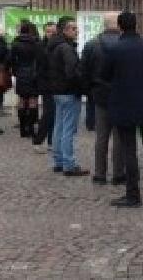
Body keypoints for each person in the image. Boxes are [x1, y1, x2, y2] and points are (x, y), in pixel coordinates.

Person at [103, 11, 143, 207]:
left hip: (124, 104)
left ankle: (133, 194)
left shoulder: (114, 49)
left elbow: (105, 74)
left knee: (129, 150)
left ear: (120, 26)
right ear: (137, 25)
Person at [80, 12, 125, 185]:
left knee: (101, 136)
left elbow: (83, 71)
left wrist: (89, 91)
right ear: (119, 25)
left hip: (99, 95)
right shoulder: (124, 44)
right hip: (121, 95)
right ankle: (118, 173)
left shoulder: (91, 45)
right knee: (119, 136)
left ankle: (100, 173)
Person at [47, 17, 87, 176]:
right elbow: (73, 72)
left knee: (59, 127)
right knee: (68, 129)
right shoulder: (66, 48)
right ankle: (69, 164)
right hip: (68, 91)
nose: (76, 31)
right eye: (73, 28)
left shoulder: (54, 45)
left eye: (76, 28)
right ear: (64, 30)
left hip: (57, 91)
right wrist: (80, 85)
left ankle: (59, 161)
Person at [11, 21, 43, 139]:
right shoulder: (36, 43)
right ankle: (31, 128)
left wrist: (16, 72)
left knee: (22, 100)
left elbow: (11, 60)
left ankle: (22, 129)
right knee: (33, 101)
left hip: (21, 74)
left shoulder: (15, 43)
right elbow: (40, 60)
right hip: (33, 74)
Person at [33, 22, 57, 153]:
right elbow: (41, 67)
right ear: (44, 32)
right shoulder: (40, 46)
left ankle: (51, 141)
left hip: (55, 84)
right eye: (48, 31)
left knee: (54, 113)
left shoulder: (57, 45)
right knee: (48, 113)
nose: (51, 34)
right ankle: (38, 140)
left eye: (53, 32)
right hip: (46, 84)